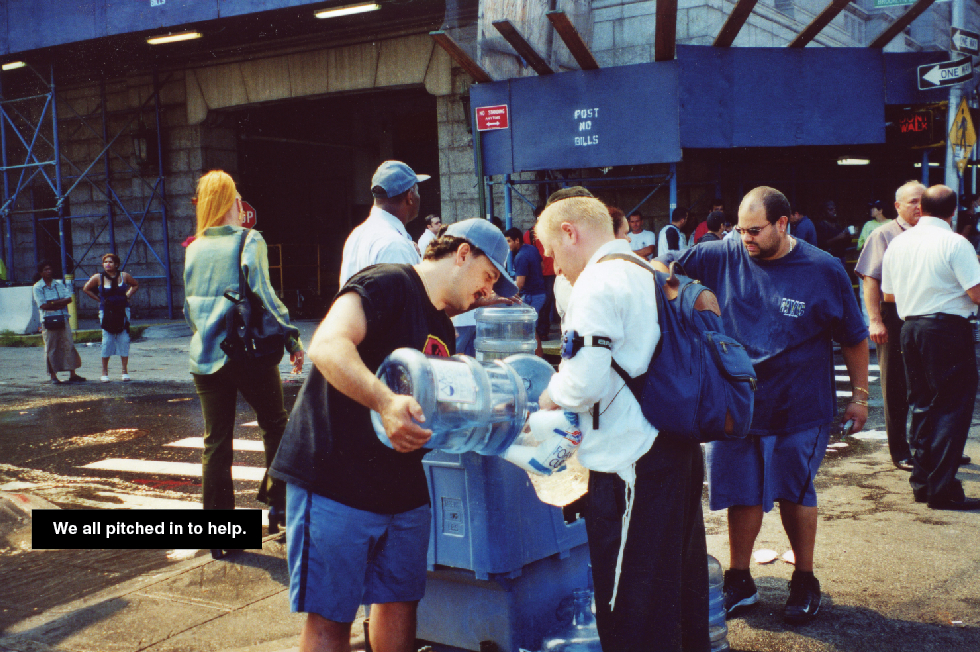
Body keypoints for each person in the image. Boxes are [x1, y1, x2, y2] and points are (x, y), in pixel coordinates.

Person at [269, 219, 517, 652]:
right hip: (335, 478)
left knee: (400, 603)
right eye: (488, 276)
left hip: (401, 489)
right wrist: (385, 402)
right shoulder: (387, 282)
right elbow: (327, 344)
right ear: (462, 254)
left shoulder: (444, 327)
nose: (488, 291)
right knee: (331, 618)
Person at [676, 186, 868, 626]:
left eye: (755, 230)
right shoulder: (720, 254)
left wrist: (860, 398)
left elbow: (854, 338)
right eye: (740, 230)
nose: (745, 239)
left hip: (799, 404)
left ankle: (804, 581)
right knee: (740, 492)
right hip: (737, 406)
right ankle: (740, 580)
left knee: (793, 492)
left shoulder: (823, 269)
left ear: (783, 224)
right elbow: (664, 272)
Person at [534, 195, 709, 652]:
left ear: (570, 231)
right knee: (678, 595)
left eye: (550, 251)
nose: (552, 267)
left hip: (632, 463)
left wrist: (549, 395)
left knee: (630, 606)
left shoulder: (597, 281)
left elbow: (583, 380)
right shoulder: (648, 269)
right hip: (675, 446)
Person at [183, 170, 304, 543]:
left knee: (215, 440)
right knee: (275, 424)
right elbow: (265, 298)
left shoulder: (194, 247)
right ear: (233, 201)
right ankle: (278, 505)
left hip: (205, 355)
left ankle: (219, 533)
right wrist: (292, 340)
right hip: (247, 354)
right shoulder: (250, 241)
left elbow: (190, 308)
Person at [881, 185, 980, 511]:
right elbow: (976, 293)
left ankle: (923, 483)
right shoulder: (956, 243)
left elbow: (890, 296)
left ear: (921, 208)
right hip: (947, 329)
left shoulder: (899, 243)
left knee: (922, 404)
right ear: (953, 213)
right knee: (952, 407)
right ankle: (940, 487)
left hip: (910, 328)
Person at [854, 181, 924, 471]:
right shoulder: (883, 235)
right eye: (913, 202)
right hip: (893, 314)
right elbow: (871, 279)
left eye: (924, 201)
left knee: (929, 384)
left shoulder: (932, 233)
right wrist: (875, 320)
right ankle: (901, 450)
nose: (919, 207)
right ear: (897, 206)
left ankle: (933, 446)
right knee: (895, 384)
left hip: (925, 314)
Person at [339, 160, 430, 287]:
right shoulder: (395, 245)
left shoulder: (356, 234)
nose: (418, 197)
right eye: (417, 192)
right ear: (410, 196)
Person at [82, 253, 139, 382]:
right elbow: (86, 288)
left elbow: (135, 284)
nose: (108, 264)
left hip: (122, 310)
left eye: (111, 262)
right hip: (106, 311)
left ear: (116, 264)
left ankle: (124, 371)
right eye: (105, 262)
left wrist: (127, 296)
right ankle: (104, 371)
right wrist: (99, 299)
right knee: (107, 340)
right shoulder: (98, 277)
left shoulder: (124, 276)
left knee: (123, 339)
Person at [33, 261, 85, 385]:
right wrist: (58, 303)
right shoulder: (38, 287)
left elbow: (68, 298)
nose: (49, 271)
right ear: (41, 272)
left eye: (50, 268)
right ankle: (53, 376)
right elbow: (43, 305)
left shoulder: (58, 284)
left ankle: (72, 374)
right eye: (46, 269)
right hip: (48, 320)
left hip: (63, 318)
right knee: (51, 347)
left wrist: (52, 303)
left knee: (68, 344)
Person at [505, 227, 549, 349]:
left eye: (509, 241)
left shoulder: (520, 257)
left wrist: (509, 298)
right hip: (540, 293)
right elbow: (542, 265)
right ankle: (537, 356)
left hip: (531, 296)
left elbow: (520, 283)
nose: (507, 245)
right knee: (530, 328)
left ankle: (535, 356)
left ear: (517, 241)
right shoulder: (532, 249)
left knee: (527, 329)